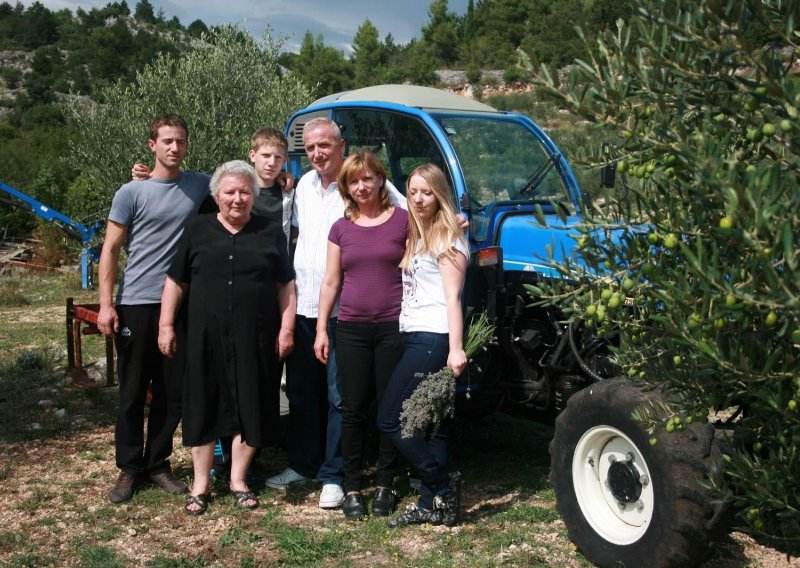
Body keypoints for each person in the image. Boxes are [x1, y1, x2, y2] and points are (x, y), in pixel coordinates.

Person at [266, 117, 406, 511]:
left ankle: (334, 475)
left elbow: (412, 210)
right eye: (310, 148)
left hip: (344, 312)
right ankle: (303, 464)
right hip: (304, 305)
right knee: (302, 393)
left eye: (324, 146)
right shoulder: (302, 187)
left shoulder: (358, 181)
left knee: (339, 397)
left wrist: (453, 219)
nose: (317, 154)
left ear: (340, 145)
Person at [158, 160, 296, 515]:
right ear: (217, 196)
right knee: (203, 402)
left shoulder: (269, 231)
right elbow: (176, 281)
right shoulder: (198, 229)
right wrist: (166, 325)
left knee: (252, 402)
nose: (238, 199)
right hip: (204, 335)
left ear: (254, 196)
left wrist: (287, 327)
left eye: (245, 192)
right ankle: (201, 484)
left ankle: (238, 479)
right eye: (230, 192)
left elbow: (285, 284)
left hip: (257, 336)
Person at [98, 114, 210, 504]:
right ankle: (129, 468)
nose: (174, 148)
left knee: (171, 391)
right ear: (152, 145)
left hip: (180, 305)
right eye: (167, 141)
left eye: (180, 141)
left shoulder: (199, 185)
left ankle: (158, 463)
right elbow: (110, 250)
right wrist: (105, 305)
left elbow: (239, 186)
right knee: (131, 391)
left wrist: (280, 180)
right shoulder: (130, 192)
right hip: (137, 303)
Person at [314, 150, 407, 520]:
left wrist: (458, 222)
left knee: (389, 408)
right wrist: (322, 328)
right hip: (350, 328)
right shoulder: (341, 227)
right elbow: (332, 280)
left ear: (381, 180)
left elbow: (434, 244)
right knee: (351, 409)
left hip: (393, 327)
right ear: (346, 187)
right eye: (354, 180)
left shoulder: (403, 221)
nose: (362, 186)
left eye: (368, 178)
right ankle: (352, 487)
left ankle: (385, 483)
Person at [378, 164, 468, 527]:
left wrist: (456, 348)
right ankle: (433, 505)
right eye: (413, 191)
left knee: (390, 418)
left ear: (439, 194)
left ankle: (440, 483)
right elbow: (387, 189)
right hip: (414, 333)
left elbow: (452, 298)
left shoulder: (447, 237)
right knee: (431, 423)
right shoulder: (420, 231)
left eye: (426, 192)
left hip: (434, 337)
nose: (418, 198)